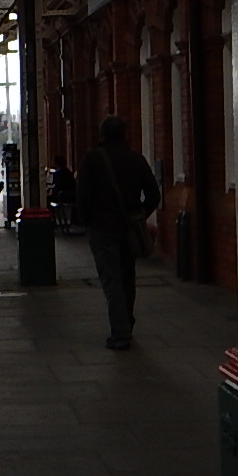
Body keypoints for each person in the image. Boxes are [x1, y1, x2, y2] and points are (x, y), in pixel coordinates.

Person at [76, 115, 160, 349]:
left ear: (102, 134)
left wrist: (87, 220)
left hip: (102, 227)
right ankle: (127, 323)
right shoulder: (136, 159)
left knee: (111, 279)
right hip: (129, 227)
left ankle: (120, 333)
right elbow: (154, 194)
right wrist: (140, 214)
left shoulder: (93, 159)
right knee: (127, 277)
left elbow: (82, 195)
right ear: (124, 134)